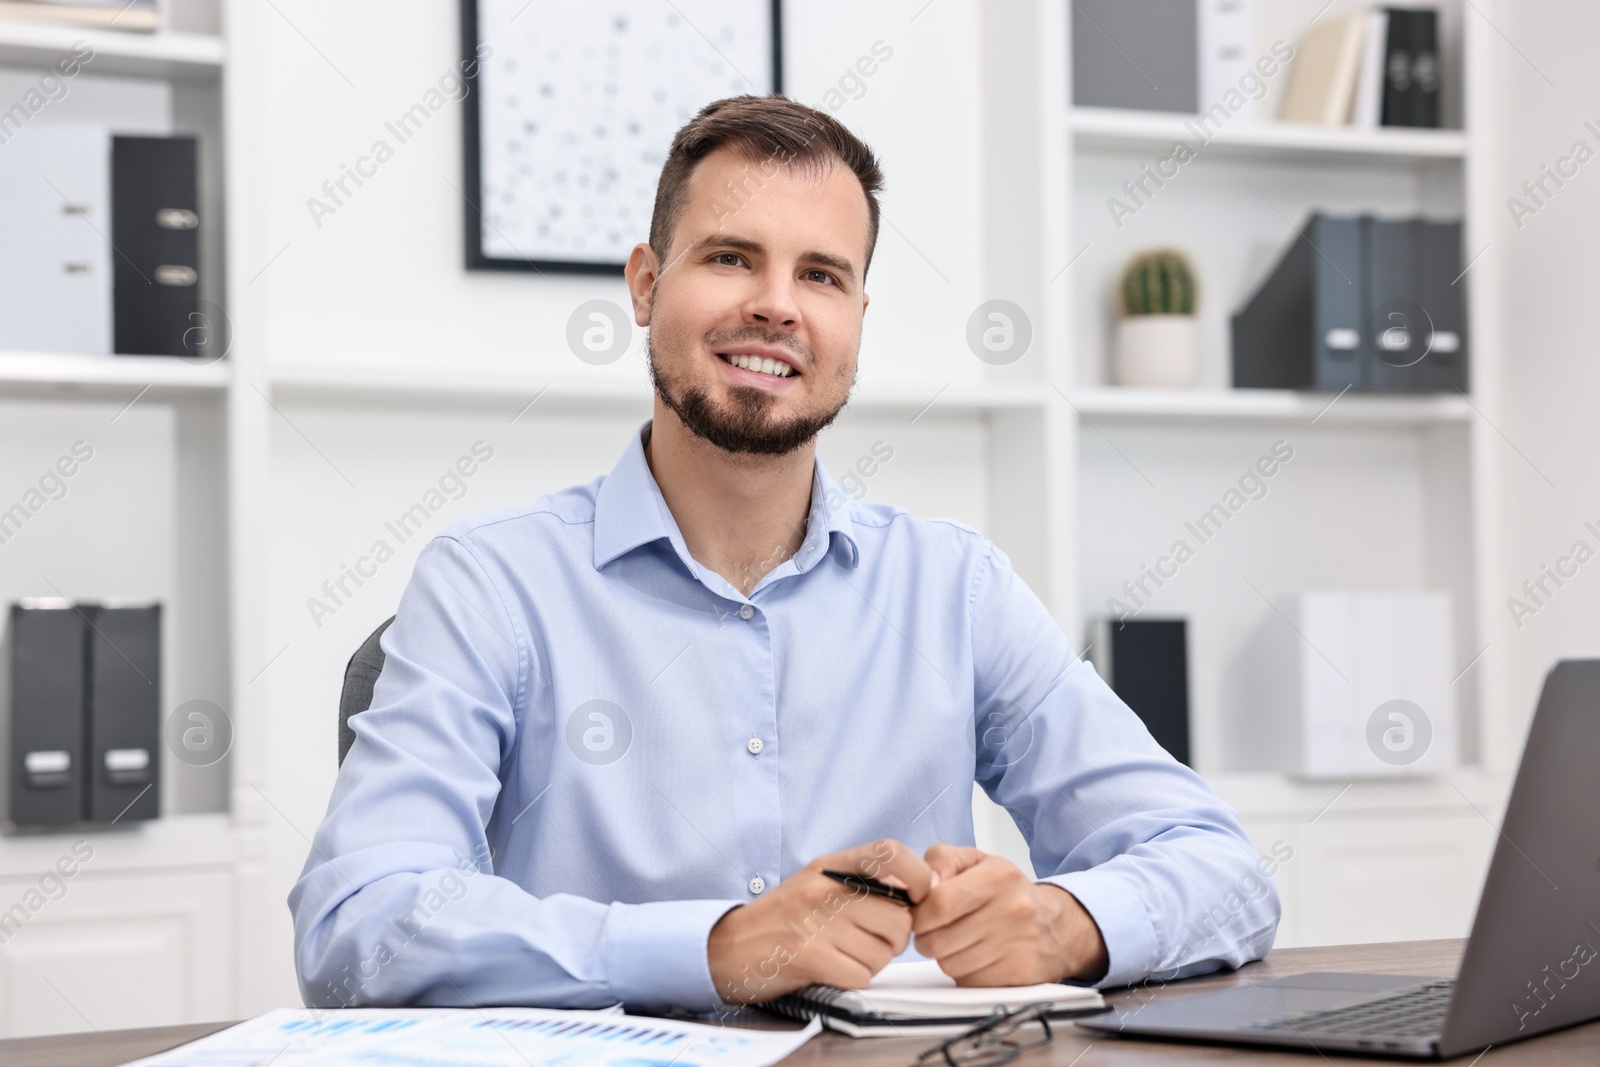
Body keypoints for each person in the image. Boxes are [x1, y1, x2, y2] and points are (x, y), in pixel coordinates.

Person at [289, 94, 1278, 1012]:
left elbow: (1219, 867)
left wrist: (1062, 924)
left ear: (854, 322)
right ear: (644, 285)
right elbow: (359, 925)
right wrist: (717, 945)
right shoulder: (487, 586)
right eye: (729, 257)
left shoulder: (954, 589)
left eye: (821, 274)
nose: (777, 305)